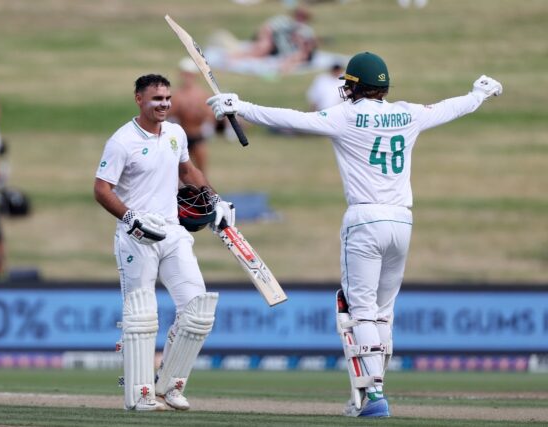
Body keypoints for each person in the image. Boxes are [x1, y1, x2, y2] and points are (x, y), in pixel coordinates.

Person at [206, 52, 502, 417]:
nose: (344, 88)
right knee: (382, 314)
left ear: (357, 86)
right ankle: (370, 394)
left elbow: (296, 120)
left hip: (364, 219)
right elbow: (449, 108)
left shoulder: (347, 115)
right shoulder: (408, 113)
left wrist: (242, 106)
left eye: (348, 83)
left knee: (359, 312)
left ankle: (374, 396)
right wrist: (478, 94)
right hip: (402, 221)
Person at [94, 74, 235, 411]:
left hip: (172, 230)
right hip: (137, 235)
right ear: (139, 99)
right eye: (156, 98)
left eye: (167, 98)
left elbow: (188, 172)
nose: (164, 104)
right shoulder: (122, 140)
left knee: (197, 309)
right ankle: (139, 395)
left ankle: (168, 385)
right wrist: (129, 217)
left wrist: (215, 199)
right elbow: (101, 189)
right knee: (142, 317)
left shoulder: (175, 133)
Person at [232, 6, 318, 73]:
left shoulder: (307, 30)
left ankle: (281, 68)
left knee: (300, 55)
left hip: (292, 53)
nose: (300, 18)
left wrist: (299, 41)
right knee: (264, 45)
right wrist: (266, 39)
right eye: (299, 15)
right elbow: (265, 29)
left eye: (303, 16)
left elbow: (309, 47)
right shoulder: (284, 21)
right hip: (275, 48)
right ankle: (235, 58)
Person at [168, 58, 217, 174]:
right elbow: (168, 114)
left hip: (198, 135)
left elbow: (210, 114)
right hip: (183, 137)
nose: (187, 78)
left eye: (189, 75)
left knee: (201, 170)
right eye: (185, 74)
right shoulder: (177, 95)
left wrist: (204, 119)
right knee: (181, 171)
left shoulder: (201, 94)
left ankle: (203, 191)